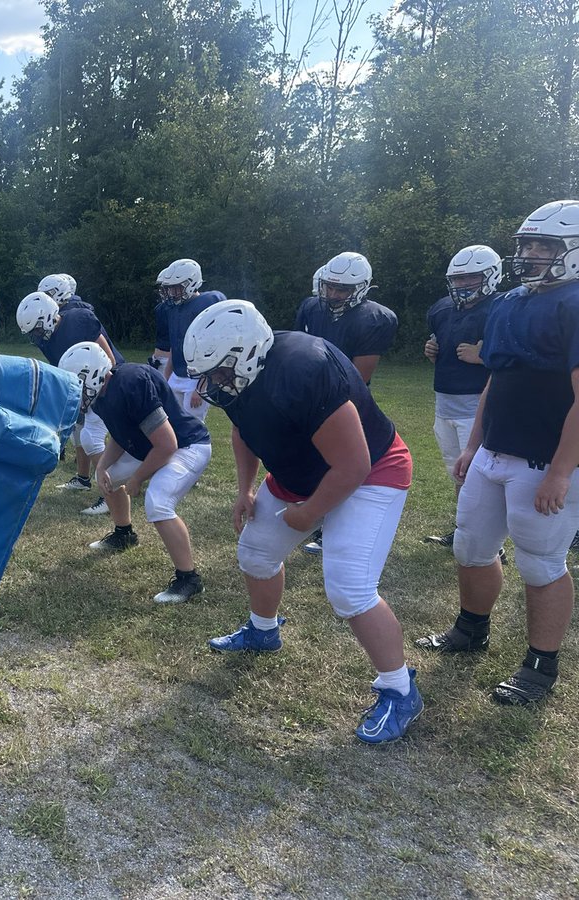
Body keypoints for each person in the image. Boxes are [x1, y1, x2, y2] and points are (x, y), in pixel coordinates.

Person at [184, 299, 420, 743]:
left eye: (218, 372)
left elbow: (353, 463)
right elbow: (243, 430)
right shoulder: (242, 375)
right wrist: (245, 489)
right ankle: (264, 631)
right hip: (303, 471)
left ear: (247, 354)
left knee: (350, 588)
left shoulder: (304, 368)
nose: (211, 385)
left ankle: (399, 689)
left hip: (372, 471)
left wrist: (311, 513)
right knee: (256, 553)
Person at [416, 200, 579, 706]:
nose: (530, 254)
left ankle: (540, 665)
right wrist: (473, 445)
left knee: (541, 563)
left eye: (544, 246)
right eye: (527, 244)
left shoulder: (574, 303)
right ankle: (471, 629)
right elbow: (496, 378)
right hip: (494, 452)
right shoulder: (510, 302)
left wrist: (560, 471)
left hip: (542, 458)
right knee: (470, 546)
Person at [59, 341, 211, 603]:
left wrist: (137, 479)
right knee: (107, 477)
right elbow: (122, 435)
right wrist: (102, 467)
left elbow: (167, 444)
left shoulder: (130, 384)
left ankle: (189, 579)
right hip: (154, 446)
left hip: (187, 445)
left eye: (79, 384)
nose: (78, 393)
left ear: (92, 375)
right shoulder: (103, 394)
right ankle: (124, 534)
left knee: (158, 501)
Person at [294, 251, 398, 554]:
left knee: (341, 463)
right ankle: (316, 512)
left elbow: (358, 376)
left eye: (342, 289)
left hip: (345, 401)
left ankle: (332, 527)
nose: (333, 294)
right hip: (310, 395)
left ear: (361, 288)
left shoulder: (374, 318)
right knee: (313, 459)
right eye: (330, 286)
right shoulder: (311, 307)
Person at [422, 246, 502, 548]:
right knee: (458, 473)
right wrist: (432, 350)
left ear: (490, 276)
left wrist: (483, 357)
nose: (463, 284)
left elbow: (516, 359)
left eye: (471, 277)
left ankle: (490, 544)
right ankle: (464, 530)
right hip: (444, 404)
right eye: (458, 278)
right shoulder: (442, 309)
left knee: (481, 477)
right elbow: (440, 343)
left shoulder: (501, 307)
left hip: (478, 406)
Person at [18, 291, 122, 516]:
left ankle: (111, 492)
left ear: (47, 316)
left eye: (37, 329)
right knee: (78, 431)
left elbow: (109, 360)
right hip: (84, 388)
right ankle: (83, 479)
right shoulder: (46, 340)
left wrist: (100, 392)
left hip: (105, 384)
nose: (36, 336)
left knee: (92, 437)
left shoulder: (78, 320)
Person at [158, 259, 227, 423]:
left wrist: (201, 386)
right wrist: (166, 376)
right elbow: (175, 346)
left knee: (193, 425)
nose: (172, 292)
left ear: (191, 283)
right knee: (173, 422)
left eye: (176, 287)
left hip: (196, 376)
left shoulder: (207, 303)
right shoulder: (174, 308)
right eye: (170, 288)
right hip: (177, 374)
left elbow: (212, 350)